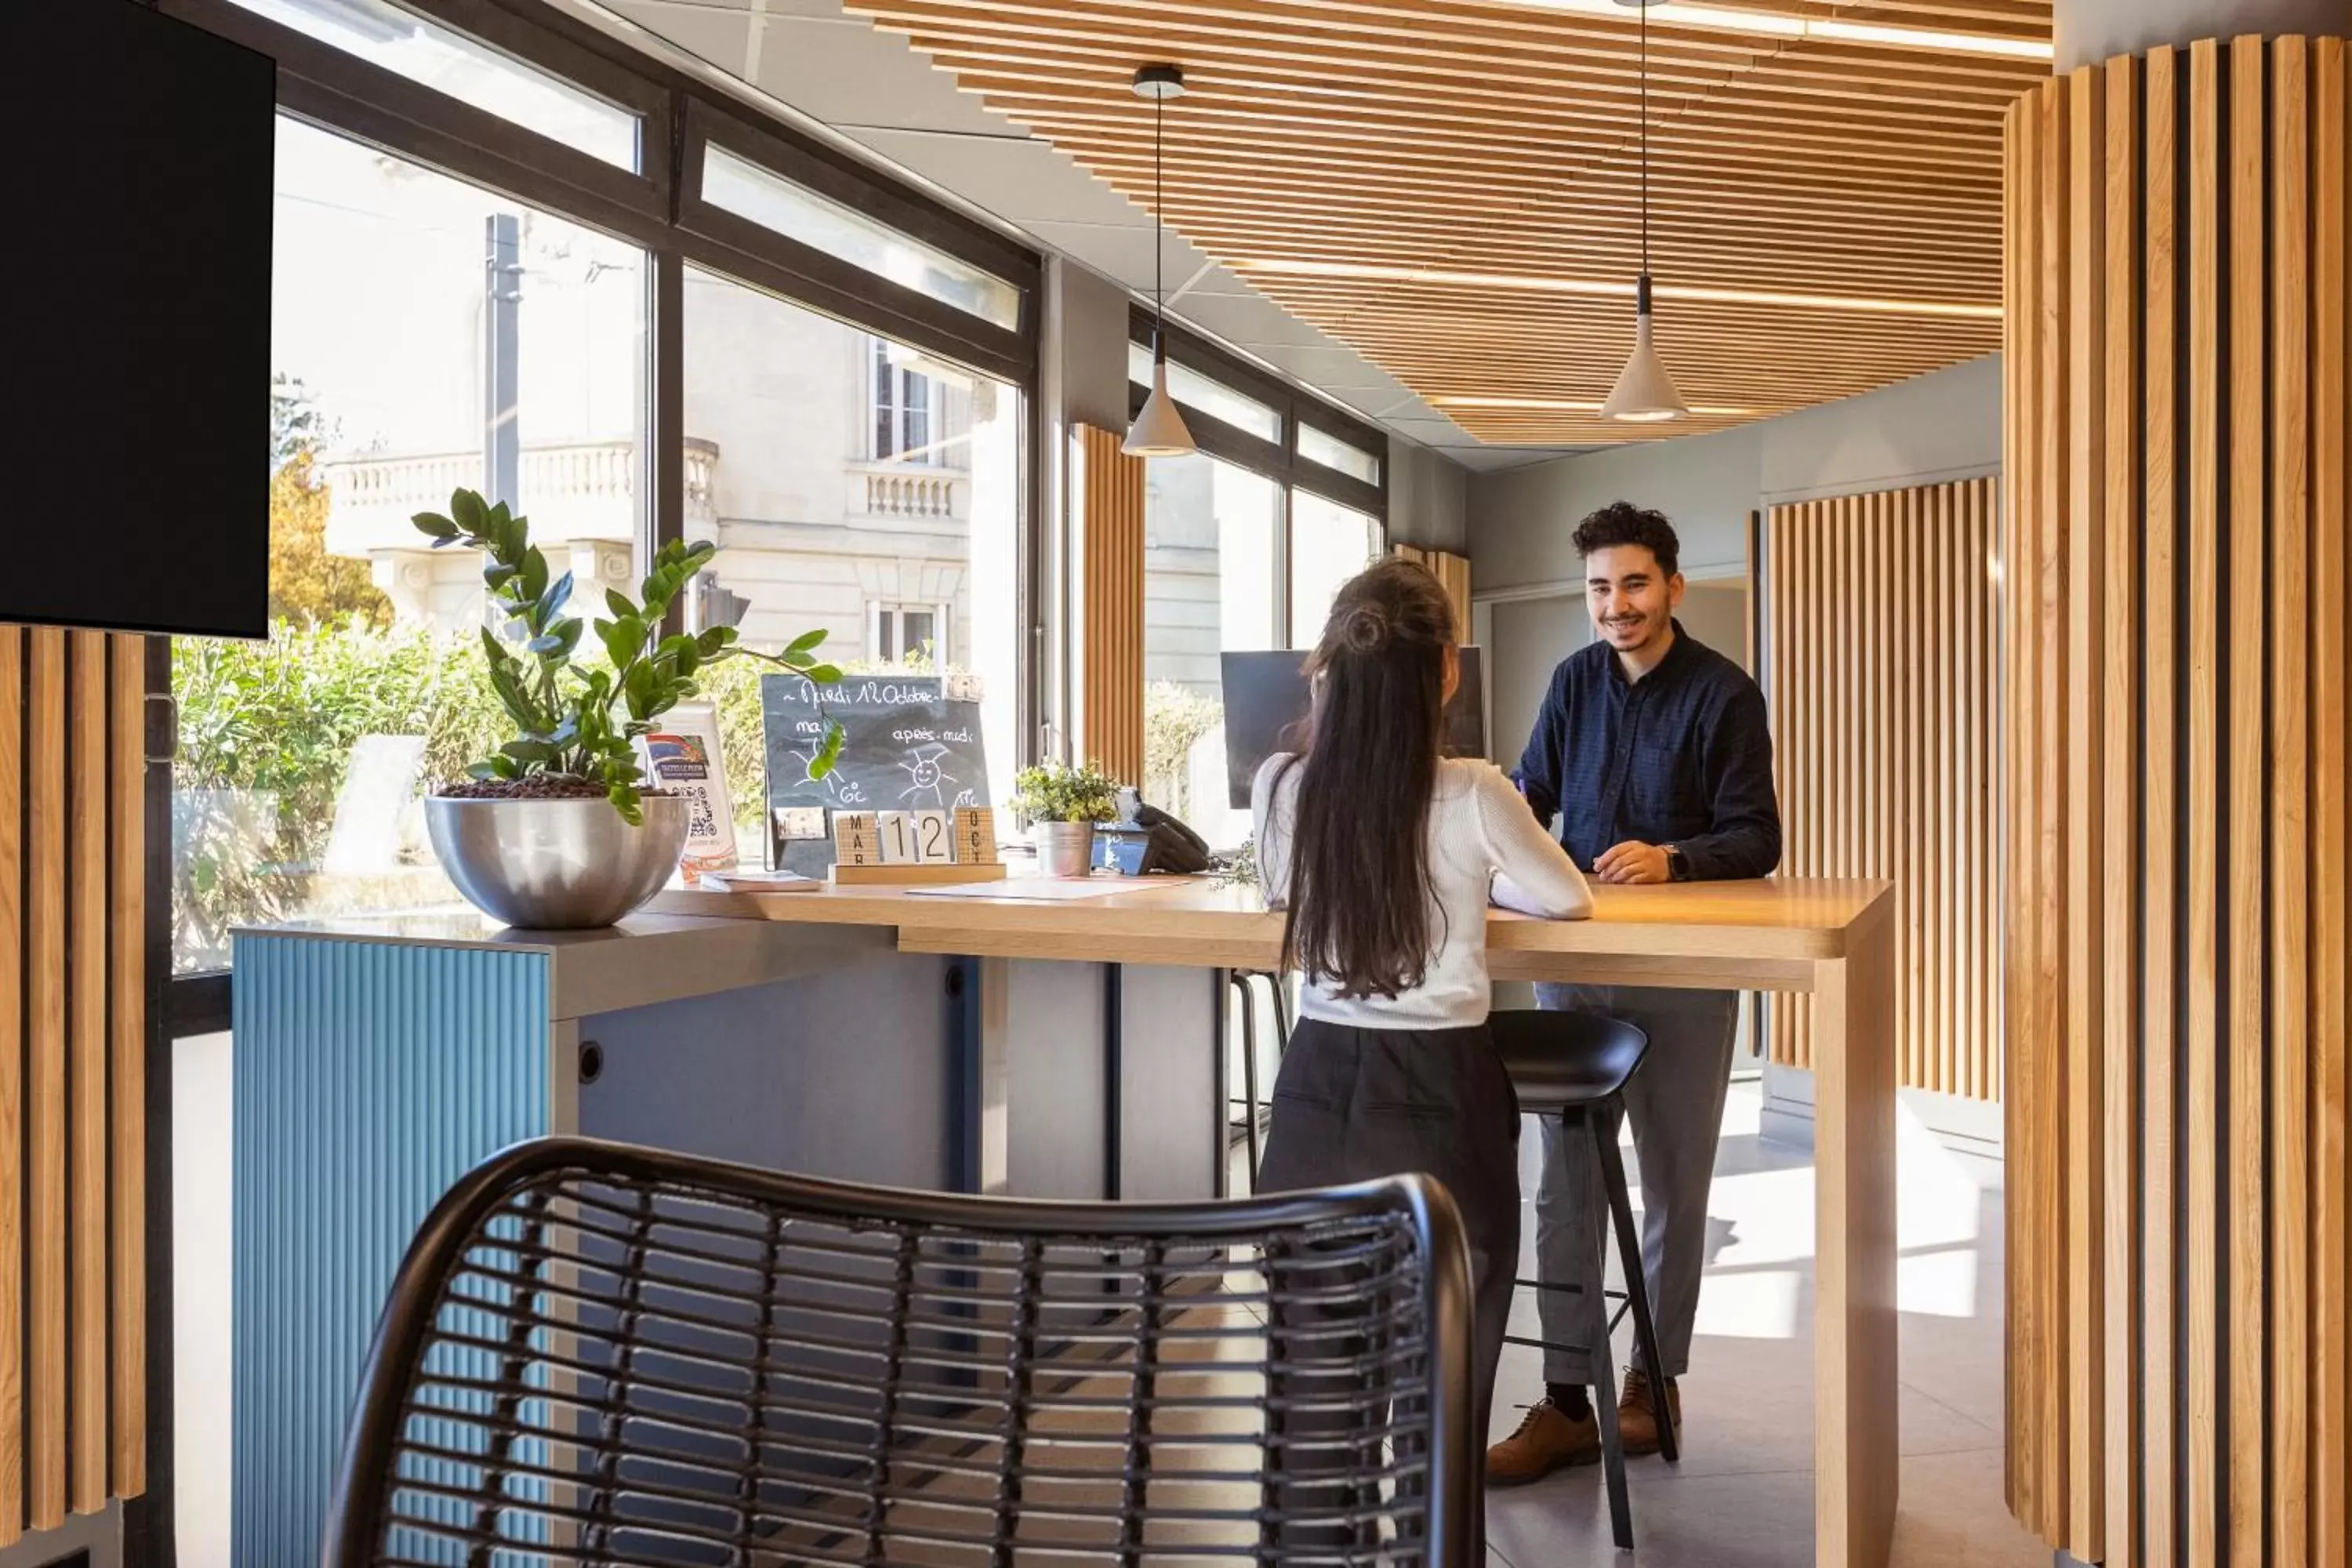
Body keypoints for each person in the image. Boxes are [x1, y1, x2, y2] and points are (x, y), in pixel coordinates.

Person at [1252, 557, 1593, 1540]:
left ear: (1328, 667)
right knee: (1442, 1382)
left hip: (1315, 1092)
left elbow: (1280, 890)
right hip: (1442, 1104)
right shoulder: (1475, 790)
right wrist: (1476, 891)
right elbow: (1568, 896)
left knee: (1311, 1390)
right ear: (1447, 671)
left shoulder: (1283, 785)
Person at [1486, 500, 1782, 1485]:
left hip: (1685, 974)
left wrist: (1675, 856)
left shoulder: (1726, 693)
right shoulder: (1574, 681)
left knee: (1674, 1181)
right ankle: (1568, 1397)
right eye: (1601, 588)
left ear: (1673, 586)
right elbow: (1529, 793)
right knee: (1563, 1183)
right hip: (1573, 964)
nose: (1617, 605)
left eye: (1635, 583)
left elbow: (1758, 836)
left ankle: (1653, 1384)